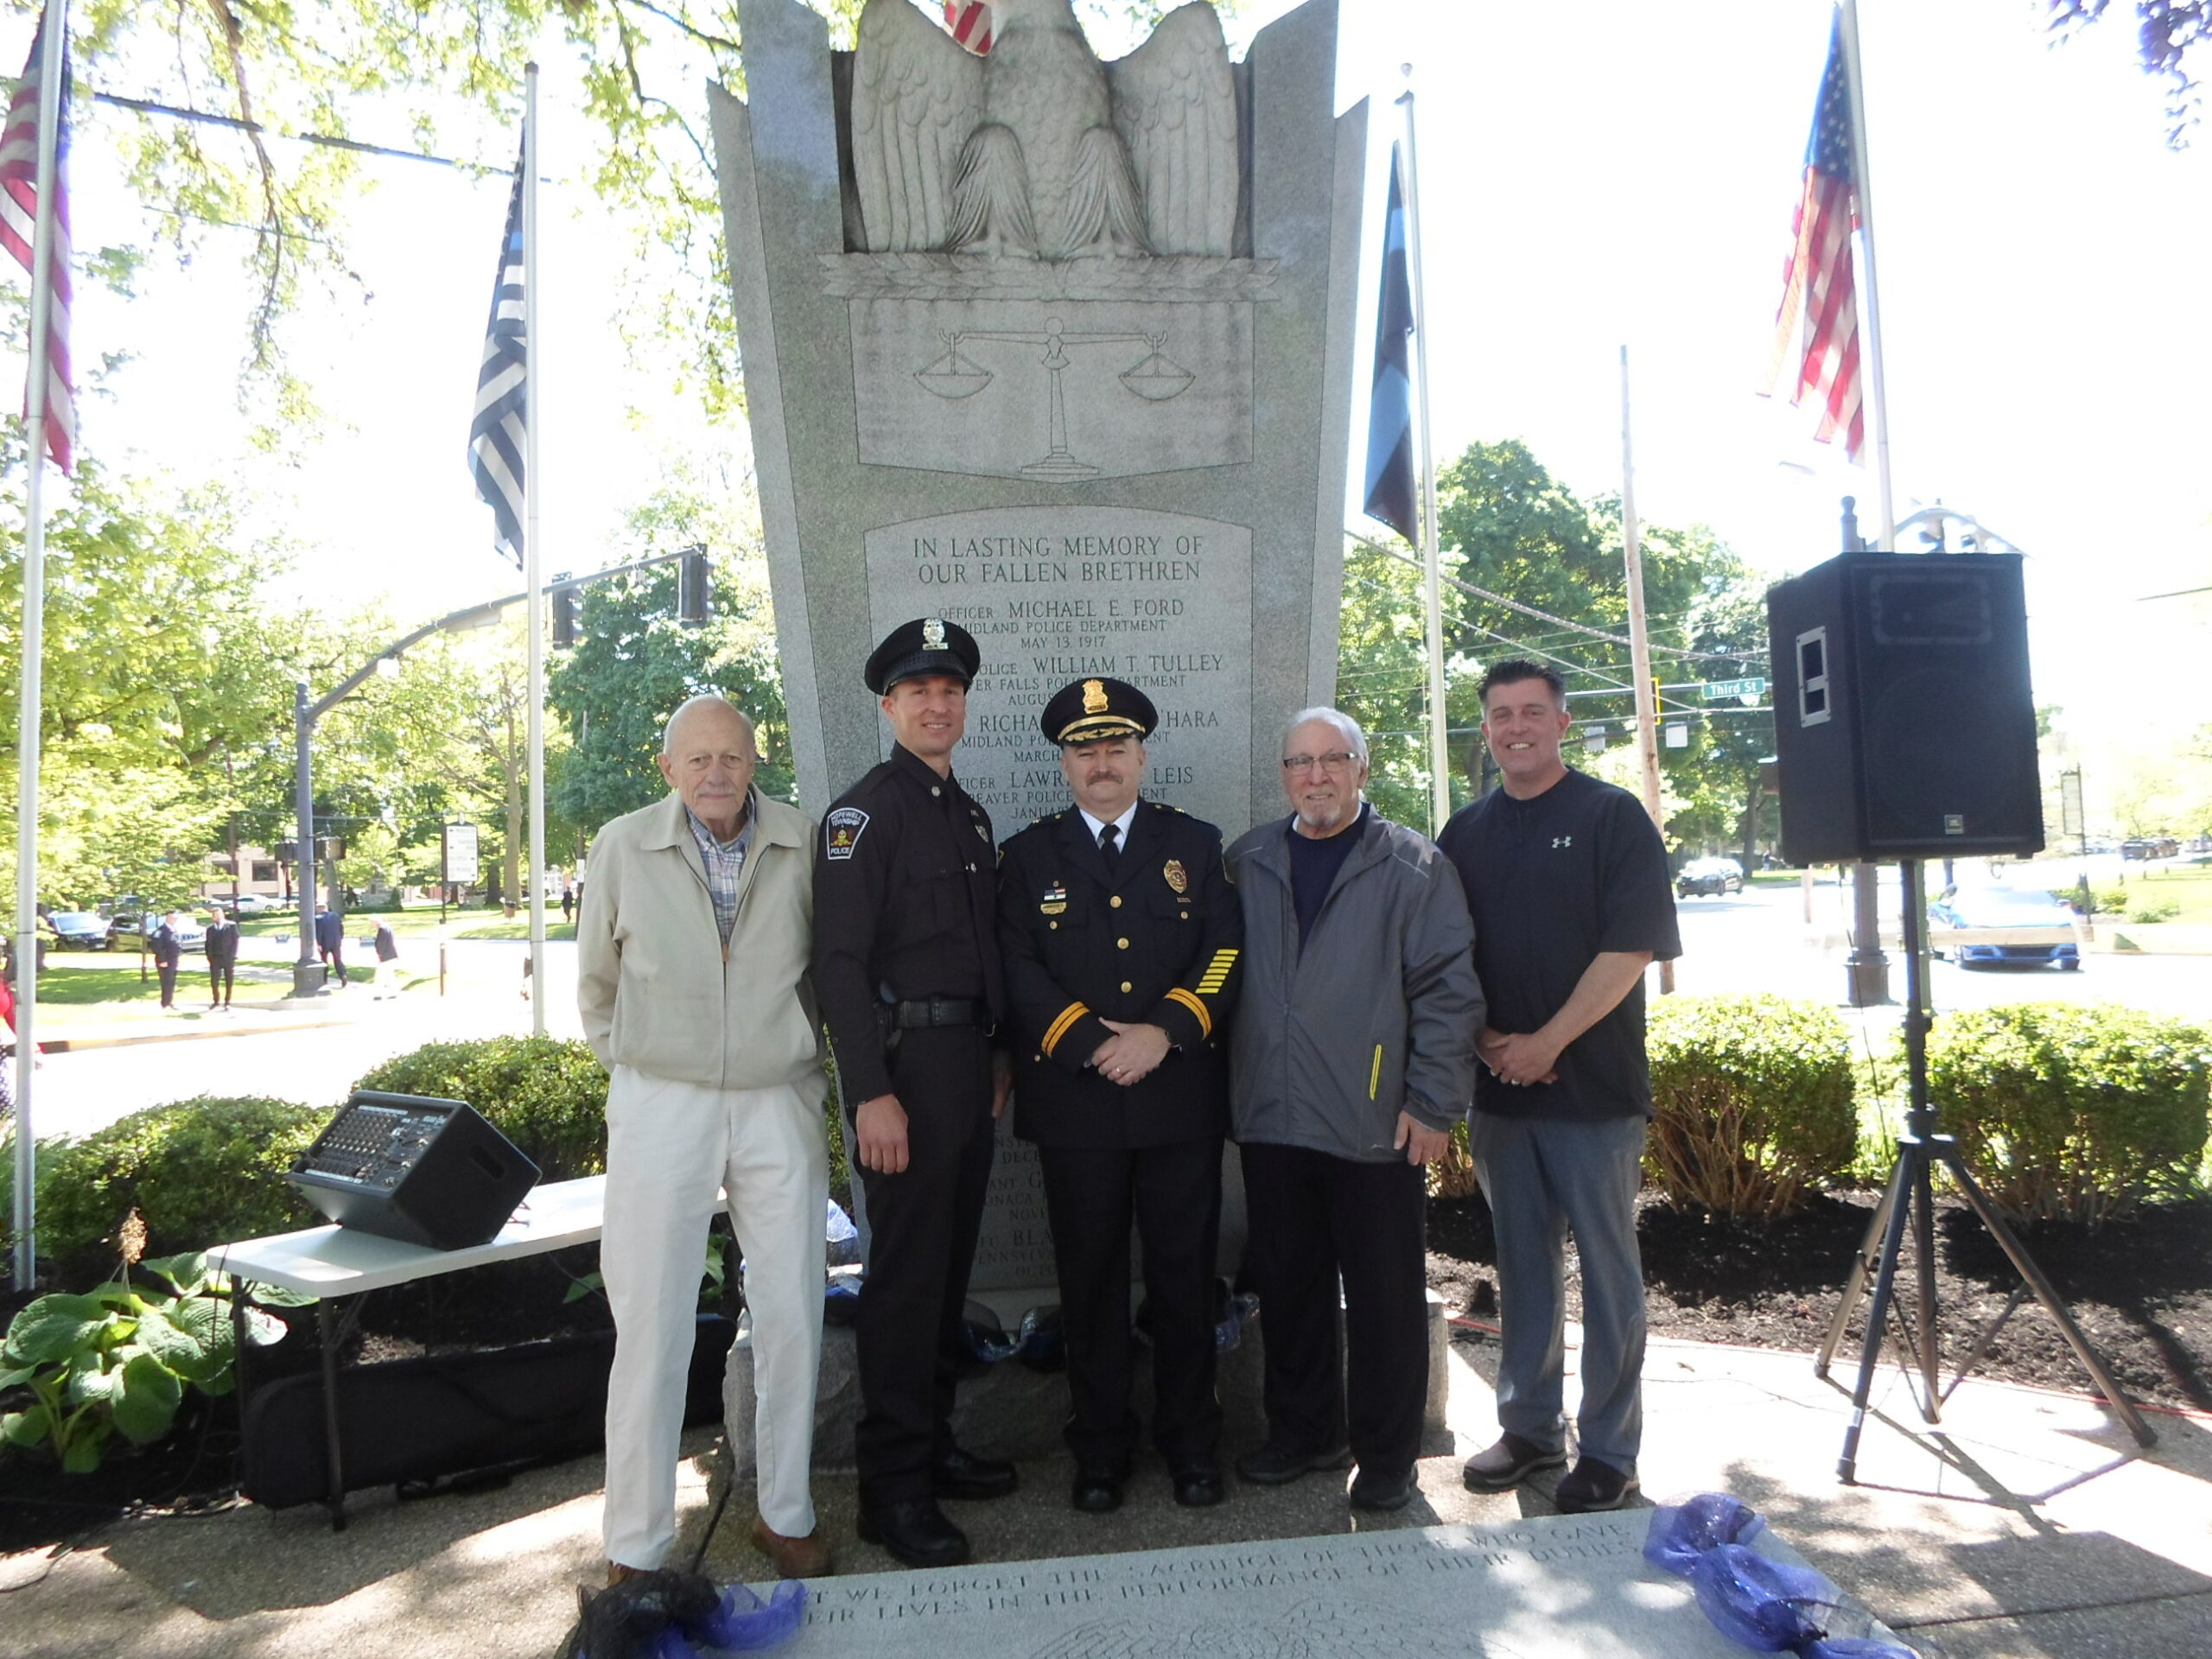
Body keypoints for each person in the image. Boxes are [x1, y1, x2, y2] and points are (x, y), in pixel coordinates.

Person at [577, 693, 835, 1584]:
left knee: (793, 1308)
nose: (716, 773)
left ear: (754, 761)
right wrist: (645, 1067)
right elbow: (597, 986)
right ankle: (638, 1545)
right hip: (663, 1103)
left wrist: (794, 1061)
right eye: (698, 758)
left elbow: (826, 970)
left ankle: (785, 1514)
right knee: (650, 1321)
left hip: (777, 1099)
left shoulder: (802, 841)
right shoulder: (622, 846)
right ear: (668, 768)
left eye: (731, 756)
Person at [1437, 659, 1682, 1515]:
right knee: (1521, 1267)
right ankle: (1530, 1430)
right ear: (1486, 730)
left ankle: (1611, 1453)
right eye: (1501, 715)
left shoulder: (1611, 817)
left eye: (1532, 712)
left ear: (1562, 724)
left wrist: (1545, 1043)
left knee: (1609, 1277)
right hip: (1501, 1093)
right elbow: (1444, 955)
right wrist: (1488, 1043)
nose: (1516, 727)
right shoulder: (1462, 832)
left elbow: (1631, 948)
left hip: (1594, 1094)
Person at [1224, 707, 1480, 1512]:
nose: (1316, 775)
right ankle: (1305, 1434)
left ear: (1362, 768)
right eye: (1300, 761)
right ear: (1284, 776)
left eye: (1333, 758)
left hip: (1375, 1123)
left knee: (1384, 1301)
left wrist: (1433, 1103)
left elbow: (1448, 992)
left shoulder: (1412, 865)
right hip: (1273, 1118)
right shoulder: (1248, 860)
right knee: (1290, 1290)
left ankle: (1387, 1456)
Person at [996, 677, 1243, 1515]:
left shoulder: (1194, 843)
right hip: (1077, 1105)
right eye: (1084, 751)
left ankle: (1191, 1444)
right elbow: (1015, 966)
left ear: (1141, 756)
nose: (1100, 763)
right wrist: (1088, 1040)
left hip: (1177, 1101)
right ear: (1064, 764)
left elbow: (1223, 952)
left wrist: (1163, 1032)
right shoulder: (1028, 857)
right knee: (1090, 1282)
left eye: (1115, 747)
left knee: (1184, 1280)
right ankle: (1099, 1448)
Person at [811, 617, 1014, 1570]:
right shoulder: (863, 816)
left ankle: (931, 1448)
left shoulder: (967, 816)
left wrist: (1000, 1053)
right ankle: (891, 1492)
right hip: (905, 1078)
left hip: (967, 1068)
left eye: (951, 689)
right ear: (889, 706)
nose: (938, 704)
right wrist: (868, 1094)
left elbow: (981, 952)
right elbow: (839, 965)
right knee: (902, 1285)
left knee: (945, 1274)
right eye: (919, 691)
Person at [205, 906, 240, 1009]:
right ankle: (216, 1001)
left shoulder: (231, 926)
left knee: (229, 980)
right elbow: (208, 944)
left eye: (219, 914)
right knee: (214, 981)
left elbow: (235, 942)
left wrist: (233, 955)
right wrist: (209, 956)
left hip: (228, 958)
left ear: (223, 915)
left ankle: (227, 1002)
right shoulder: (210, 929)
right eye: (215, 915)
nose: (217, 917)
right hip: (215, 958)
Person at [149, 910, 185, 1010]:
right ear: (168, 917)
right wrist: (162, 960)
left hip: (173, 960)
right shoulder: (161, 931)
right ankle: (165, 1003)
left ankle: (170, 1001)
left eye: (176, 918)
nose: (175, 920)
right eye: (173, 918)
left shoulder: (174, 930)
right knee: (166, 982)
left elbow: (178, 944)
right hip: (165, 961)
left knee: (172, 982)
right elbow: (156, 946)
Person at [314, 903, 348, 986]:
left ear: (319, 908)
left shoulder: (318, 918)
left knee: (324, 961)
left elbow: (319, 932)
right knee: (338, 960)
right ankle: (343, 975)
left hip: (324, 942)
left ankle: (324, 980)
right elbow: (341, 928)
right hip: (336, 942)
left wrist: (318, 944)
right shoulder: (335, 916)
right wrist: (340, 938)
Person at [371, 918, 400, 1000]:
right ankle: (394, 992)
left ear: (376, 922)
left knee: (380, 976)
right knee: (390, 975)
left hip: (385, 956)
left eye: (373, 923)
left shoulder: (382, 930)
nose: (373, 925)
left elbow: (380, 944)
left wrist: (380, 955)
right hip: (392, 955)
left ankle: (378, 994)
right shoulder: (388, 928)